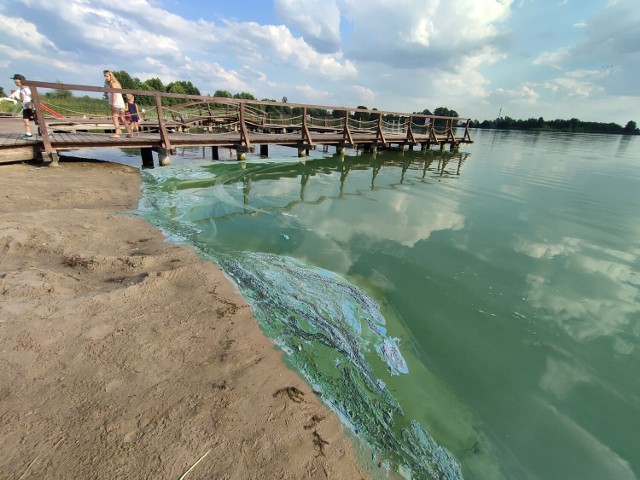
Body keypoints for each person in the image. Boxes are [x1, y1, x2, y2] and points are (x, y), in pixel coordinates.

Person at [103, 70, 131, 138]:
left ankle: (117, 133)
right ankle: (129, 132)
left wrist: (113, 103)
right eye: (104, 76)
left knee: (115, 118)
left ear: (110, 76)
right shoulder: (116, 83)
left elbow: (115, 93)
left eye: (106, 76)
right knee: (122, 117)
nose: (105, 78)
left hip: (116, 102)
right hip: (121, 103)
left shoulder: (112, 83)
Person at [11, 74, 34, 140]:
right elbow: (23, 99)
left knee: (36, 120)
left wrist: (29, 104)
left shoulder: (25, 89)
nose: (16, 84)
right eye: (15, 82)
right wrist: (17, 99)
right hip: (25, 108)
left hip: (29, 107)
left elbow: (32, 96)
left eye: (17, 82)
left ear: (22, 81)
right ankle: (28, 133)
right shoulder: (21, 89)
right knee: (25, 120)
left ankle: (43, 132)